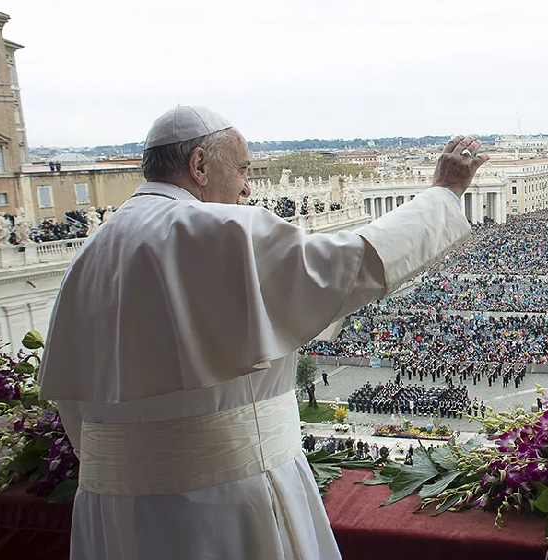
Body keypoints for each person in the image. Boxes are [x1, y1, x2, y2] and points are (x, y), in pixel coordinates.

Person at [38, 106, 490, 560]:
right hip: (223, 504)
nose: (247, 186)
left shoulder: (93, 249)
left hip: (113, 516)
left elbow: (76, 409)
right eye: (242, 169)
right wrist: (443, 195)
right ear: (199, 165)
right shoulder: (217, 229)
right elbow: (348, 266)